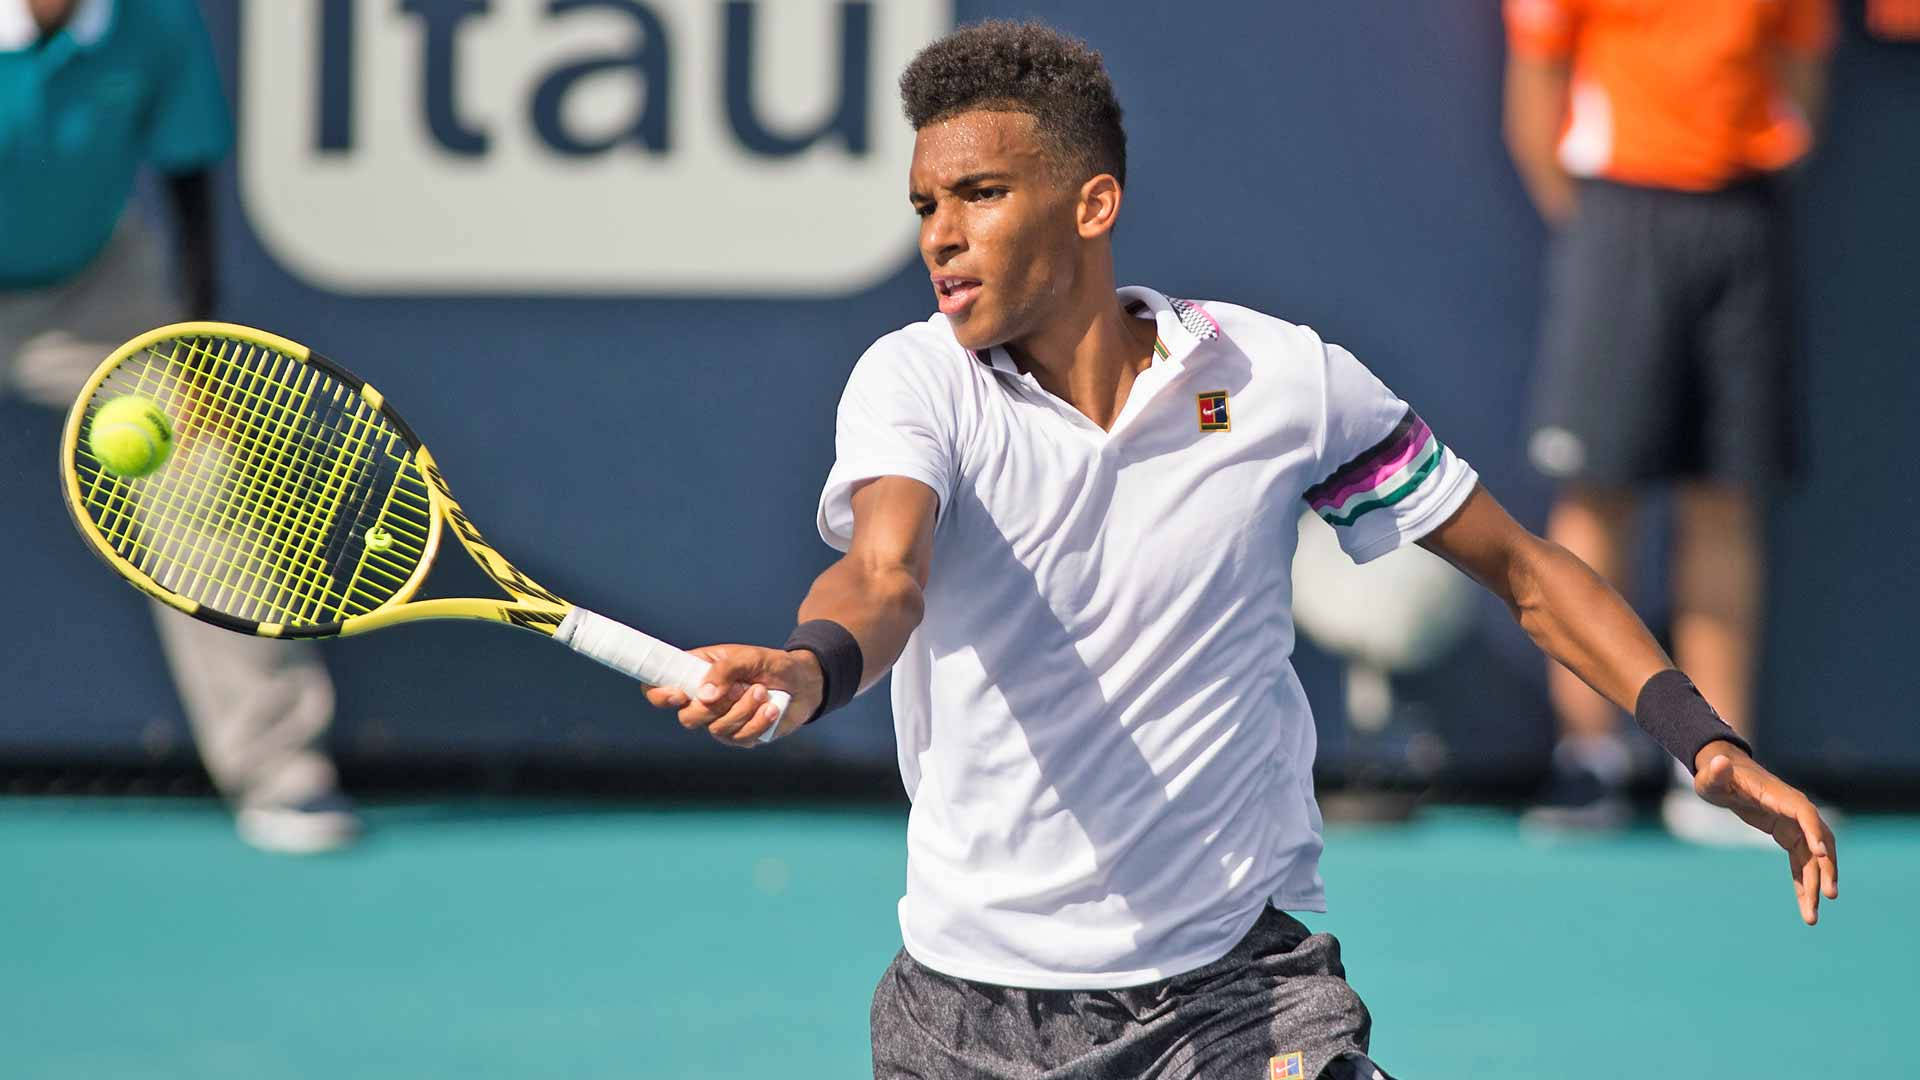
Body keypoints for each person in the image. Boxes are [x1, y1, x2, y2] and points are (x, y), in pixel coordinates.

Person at [648, 22, 1838, 1079]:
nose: (941, 238)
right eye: (924, 207)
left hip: (1237, 985)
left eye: (981, 195)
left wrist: (1698, 736)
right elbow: (884, 575)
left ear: (1092, 204)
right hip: (970, 1010)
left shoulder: (1277, 380)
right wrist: (814, 664)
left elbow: (1524, 572)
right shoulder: (912, 381)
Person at [1, 0, 358, 853]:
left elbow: (187, 179)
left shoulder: (152, 21)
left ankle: (282, 773)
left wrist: (195, 350)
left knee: (200, 484)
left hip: (93, 289)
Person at [1502, 0, 1834, 842]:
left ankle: (1716, 772)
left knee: (1726, 496)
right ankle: (1590, 759)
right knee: (1600, 491)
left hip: (1744, 217)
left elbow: (1800, 73)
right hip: (1618, 214)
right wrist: (1600, 236)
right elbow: (1535, 89)